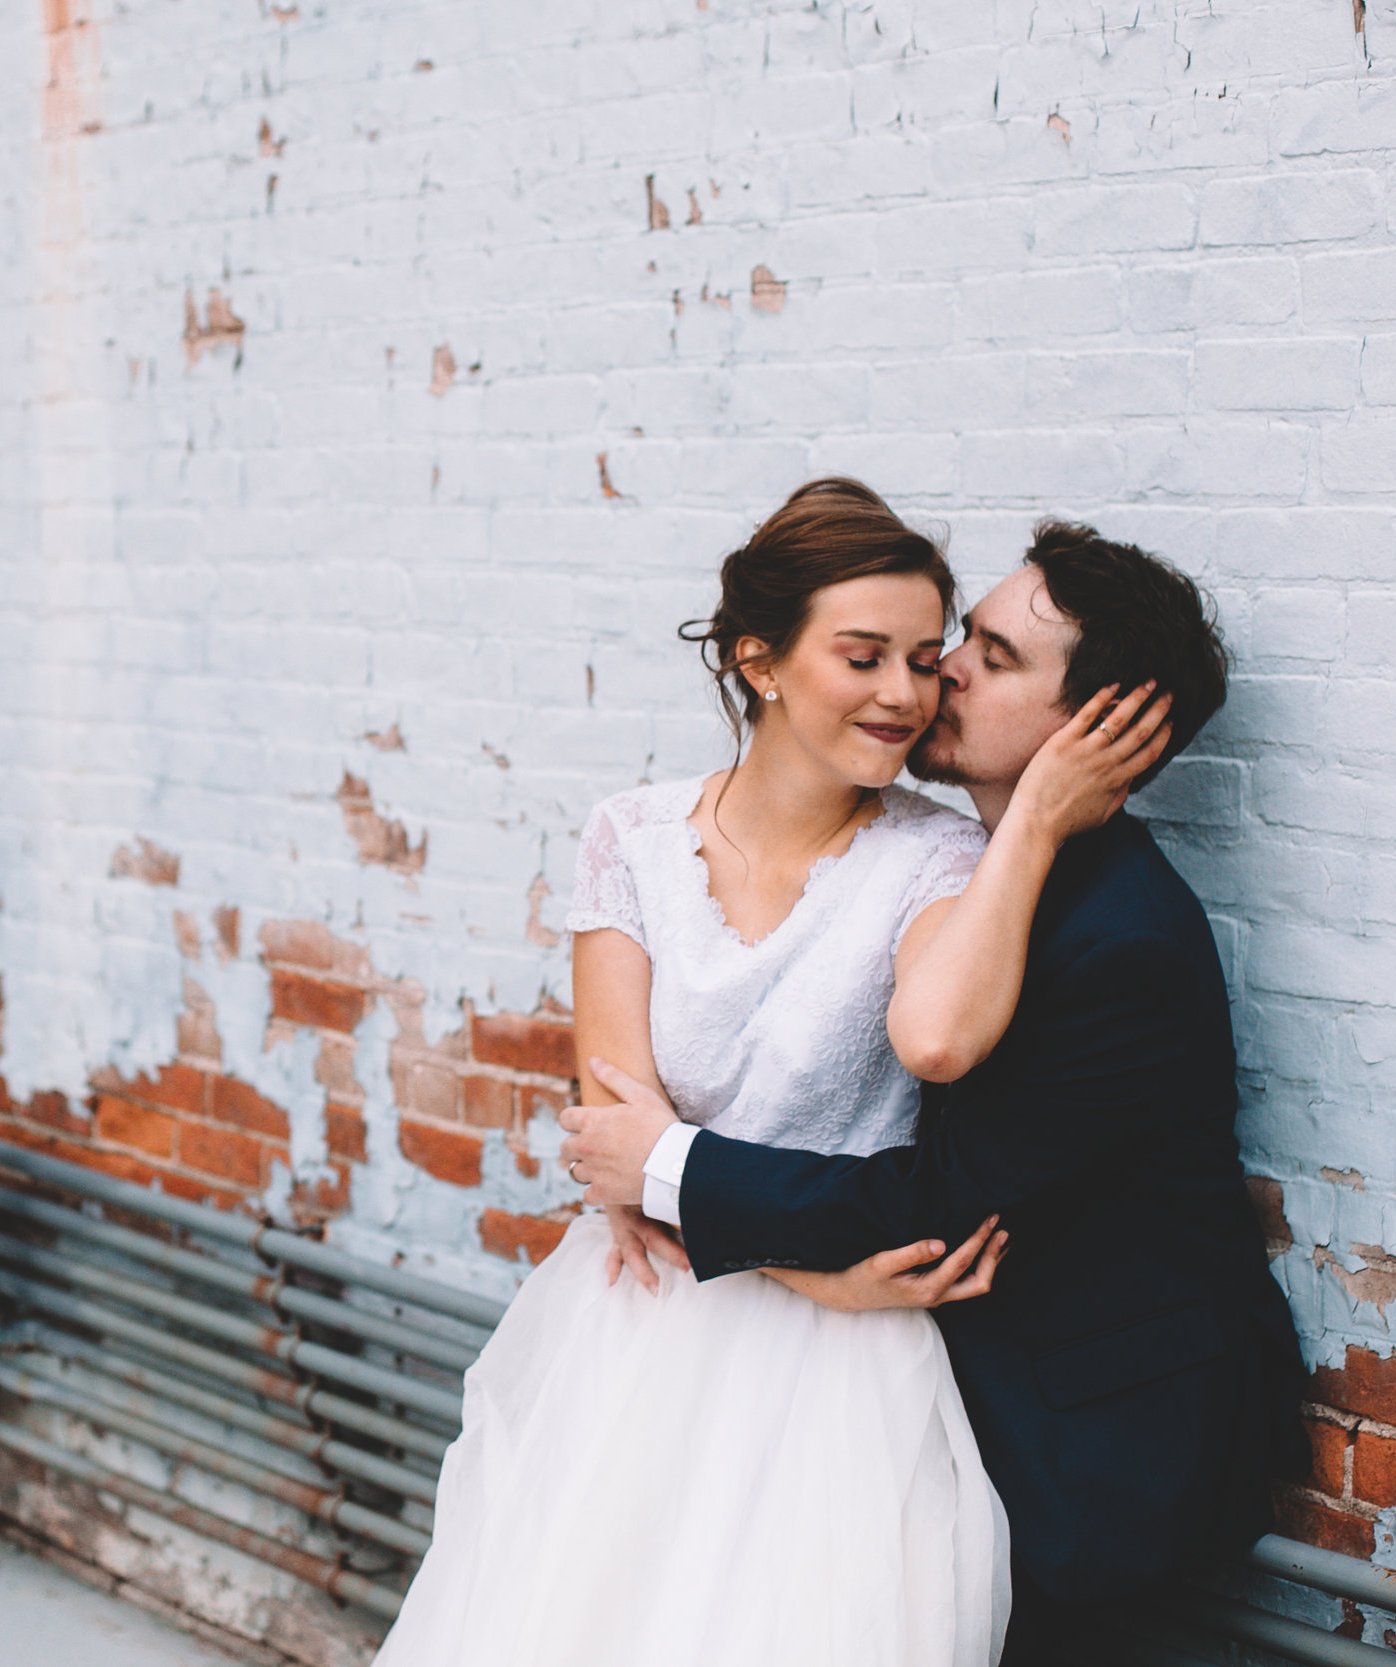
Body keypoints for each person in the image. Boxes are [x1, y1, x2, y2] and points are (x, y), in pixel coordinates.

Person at [374, 481, 1165, 1667]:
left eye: (921, 656)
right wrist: (817, 1280)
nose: (905, 693)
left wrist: (1034, 826)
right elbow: (611, 1139)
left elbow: (937, 1040)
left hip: (842, 1374)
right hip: (646, 1329)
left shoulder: (943, 855)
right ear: (762, 660)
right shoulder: (632, 836)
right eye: (862, 656)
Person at [561, 519, 1310, 1666]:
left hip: (1090, 1442)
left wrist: (665, 1164)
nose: (940, 668)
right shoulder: (991, 873)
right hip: (927, 1391)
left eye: (994, 656)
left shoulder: (1121, 942)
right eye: (963, 633)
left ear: (1090, 729)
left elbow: (941, 1195)